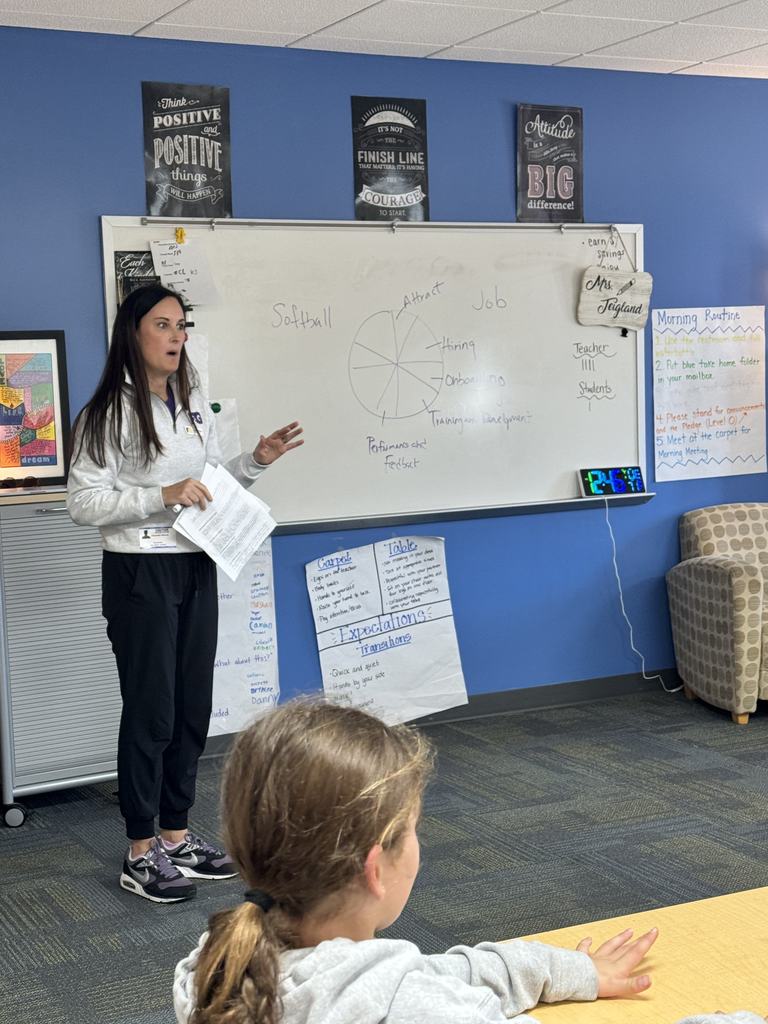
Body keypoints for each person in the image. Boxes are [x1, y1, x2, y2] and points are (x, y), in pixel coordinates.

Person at [173, 700, 763, 1024]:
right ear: (376, 868)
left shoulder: (219, 967)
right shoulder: (417, 1012)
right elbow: (418, 996)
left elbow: (428, 977)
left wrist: (572, 973)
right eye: (415, 829)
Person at [67, 284, 303, 904]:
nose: (177, 337)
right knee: (151, 711)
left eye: (182, 326)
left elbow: (212, 483)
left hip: (197, 562)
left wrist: (255, 461)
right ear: (134, 333)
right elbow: (82, 504)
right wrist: (160, 494)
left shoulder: (194, 401)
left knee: (191, 707)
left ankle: (176, 837)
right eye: (164, 325)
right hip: (140, 572)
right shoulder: (106, 413)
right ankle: (139, 851)